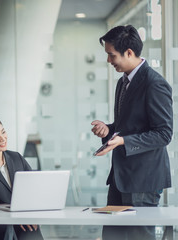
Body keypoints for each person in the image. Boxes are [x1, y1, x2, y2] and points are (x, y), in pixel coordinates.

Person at [91, 25, 173, 240]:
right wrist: (108, 129)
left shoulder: (155, 84)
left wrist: (123, 141)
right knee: (112, 236)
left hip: (143, 181)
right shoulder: (123, 82)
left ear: (129, 52)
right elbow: (126, 125)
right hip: (121, 177)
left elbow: (164, 134)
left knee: (139, 237)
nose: (109, 61)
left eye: (111, 55)